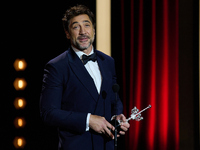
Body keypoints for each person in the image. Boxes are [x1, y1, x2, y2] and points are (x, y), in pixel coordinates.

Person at [40, 5, 130, 150]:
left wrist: (116, 116)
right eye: (76, 27)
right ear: (67, 33)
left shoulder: (108, 62)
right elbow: (49, 113)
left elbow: (114, 99)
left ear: (93, 29)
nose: (83, 32)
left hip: (107, 145)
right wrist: (88, 120)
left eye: (86, 25)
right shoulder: (57, 66)